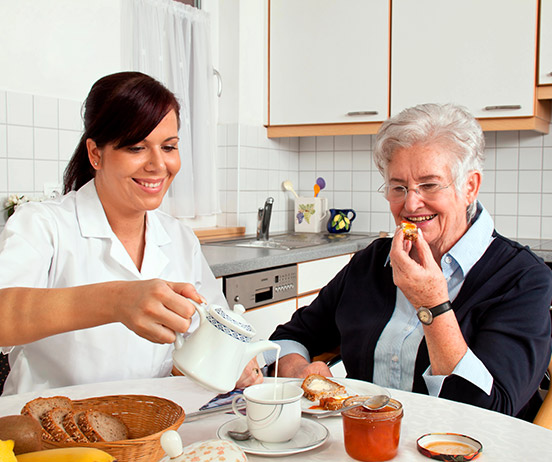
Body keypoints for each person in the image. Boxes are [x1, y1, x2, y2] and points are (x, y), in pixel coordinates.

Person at [266, 103, 552, 419]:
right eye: (398, 187)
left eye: (429, 185)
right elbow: (288, 338)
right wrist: (300, 373)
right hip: (366, 443)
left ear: (469, 186)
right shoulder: (371, 263)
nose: (411, 203)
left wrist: (432, 304)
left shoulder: (523, 278)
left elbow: (490, 413)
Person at [0, 71, 262, 395]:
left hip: (147, 429)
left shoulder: (179, 239)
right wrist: (117, 300)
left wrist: (233, 363)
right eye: (137, 147)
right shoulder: (44, 225)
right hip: (49, 435)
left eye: (168, 147)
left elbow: (202, 334)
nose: (158, 164)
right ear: (96, 154)